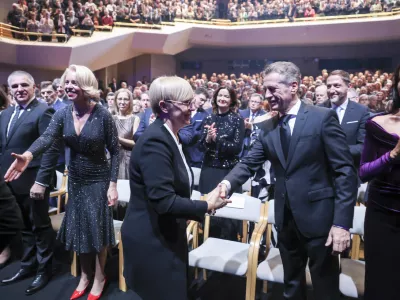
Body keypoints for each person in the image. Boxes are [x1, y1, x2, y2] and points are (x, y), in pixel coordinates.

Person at [220, 62, 358, 300]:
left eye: (272, 89)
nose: (267, 95)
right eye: (265, 89)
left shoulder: (322, 118)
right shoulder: (267, 127)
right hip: (286, 221)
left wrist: (342, 224)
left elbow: (345, 171)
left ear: (294, 86)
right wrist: (226, 185)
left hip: (320, 221)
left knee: (325, 289)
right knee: (291, 286)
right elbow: (248, 163)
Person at [4, 65, 119, 300]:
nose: (68, 87)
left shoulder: (103, 114)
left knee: (96, 234)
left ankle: (99, 278)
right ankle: (85, 276)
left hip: (98, 180)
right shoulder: (63, 113)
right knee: (79, 231)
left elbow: (115, 151)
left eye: (74, 82)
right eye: (66, 83)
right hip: (76, 180)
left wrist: (113, 183)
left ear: (86, 85)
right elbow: (47, 137)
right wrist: (28, 155)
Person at [121, 76, 228, 299]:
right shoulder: (156, 141)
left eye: (193, 102)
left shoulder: (171, 136)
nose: (192, 108)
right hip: (152, 240)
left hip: (164, 234)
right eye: (186, 103)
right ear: (164, 106)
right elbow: (164, 201)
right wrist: (206, 204)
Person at [0, 71, 57, 295]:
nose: (19, 89)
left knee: (40, 227)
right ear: (9, 89)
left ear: (34, 87)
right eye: (15, 86)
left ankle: (45, 270)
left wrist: (42, 182)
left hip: (34, 182)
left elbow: (51, 148)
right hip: (9, 182)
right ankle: (28, 265)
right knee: (23, 227)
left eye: (24, 84)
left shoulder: (44, 111)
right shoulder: (6, 114)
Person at [359, 65, 400, 300]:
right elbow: (363, 172)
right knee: (381, 283)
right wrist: (393, 154)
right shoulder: (378, 124)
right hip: (382, 215)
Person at [199, 86, 245, 240]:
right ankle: (206, 242)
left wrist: (217, 139)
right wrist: (208, 139)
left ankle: (228, 244)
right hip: (209, 169)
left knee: (227, 214)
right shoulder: (208, 118)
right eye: (220, 95)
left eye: (226, 96)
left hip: (228, 172)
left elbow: (237, 148)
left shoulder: (237, 119)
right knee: (208, 210)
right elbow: (200, 146)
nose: (222, 99)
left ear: (231, 100)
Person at [320, 70, 369, 172]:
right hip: (322, 175)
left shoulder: (361, 111)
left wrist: (335, 150)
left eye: (337, 86)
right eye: (329, 86)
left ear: (349, 86)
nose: (331, 90)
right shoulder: (317, 110)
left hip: (350, 172)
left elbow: (363, 146)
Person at [112, 88, 139, 179]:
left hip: (128, 159)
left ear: (130, 101)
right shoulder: (111, 118)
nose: (122, 102)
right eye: (120, 99)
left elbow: (136, 143)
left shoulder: (134, 119)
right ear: (116, 101)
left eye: (126, 99)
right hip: (113, 158)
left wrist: (118, 139)